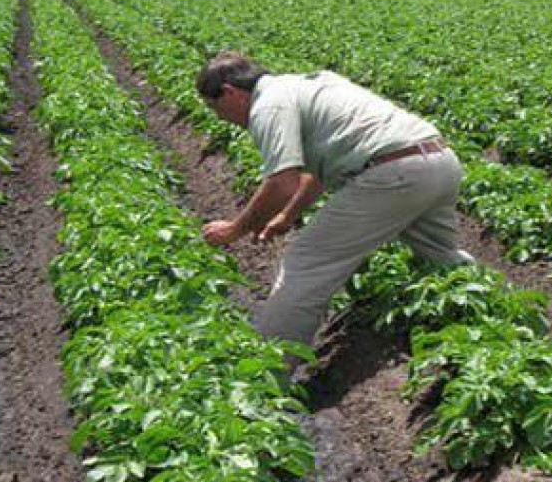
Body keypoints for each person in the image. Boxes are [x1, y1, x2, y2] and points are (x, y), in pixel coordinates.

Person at [197, 51, 474, 351]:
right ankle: (497, 316)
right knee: (441, 257)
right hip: (438, 160)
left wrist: (234, 229)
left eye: (215, 108)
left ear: (229, 93)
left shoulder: (269, 106)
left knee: (304, 264)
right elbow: (319, 173)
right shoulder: (307, 84)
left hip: (394, 173)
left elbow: (281, 183)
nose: (220, 118)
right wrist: (288, 216)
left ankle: (267, 373)